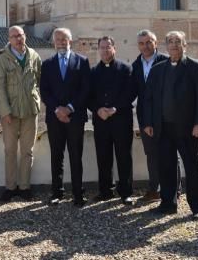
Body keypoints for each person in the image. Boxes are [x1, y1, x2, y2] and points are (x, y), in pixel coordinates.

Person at [143, 31, 198, 220]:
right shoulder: (158, 69)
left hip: (187, 128)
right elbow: (149, 99)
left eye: (177, 41)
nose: (173, 45)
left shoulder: (195, 67)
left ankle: (197, 207)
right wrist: (147, 122)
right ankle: (168, 204)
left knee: (192, 166)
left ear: (184, 45)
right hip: (163, 128)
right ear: (165, 46)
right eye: (170, 41)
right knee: (166, 167)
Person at [40, 28, 91, 206]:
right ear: (54, 42)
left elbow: (85, 89)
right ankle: (57, 192)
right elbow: (44, 91)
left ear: (71, 41)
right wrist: (57, 110)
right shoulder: (46, 64)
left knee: (76, 155)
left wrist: (69, 108)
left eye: (65, 39)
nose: (61, 42)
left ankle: (78, 193)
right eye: (58, 39)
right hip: (55, 118)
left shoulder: (82, 62)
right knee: (57, 155)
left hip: (75, 117)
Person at [0, 25, 42, 201]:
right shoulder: (2, 59)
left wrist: (37, 101)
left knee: (28, 151)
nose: (18, 39)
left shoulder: (34, 56)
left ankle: (24, 187)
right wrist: (5, 111)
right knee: (10, 150)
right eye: (14, 36)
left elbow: (38, 81)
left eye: (20, 35)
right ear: (9, 39)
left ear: (25, 37)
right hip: (11, 113)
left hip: (30, 111)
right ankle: (10, 187)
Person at [89, 36, 136, 205]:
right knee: (103, 157)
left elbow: (130, 93)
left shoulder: (126, 68)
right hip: (101, 120)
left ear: (114, 49)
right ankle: (105, 191)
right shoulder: (93, 72)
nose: (105, 50)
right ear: (98, 50)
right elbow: (89, 96)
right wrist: (97, 109)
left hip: (121, 119)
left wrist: (114, 108)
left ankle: (126, 192)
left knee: (124, 157)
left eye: (108, 47)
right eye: (102, 47)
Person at [131, 29, 170, 202]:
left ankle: (173, 190)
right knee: (152, 154)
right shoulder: (135, 65)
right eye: (141, 43)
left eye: (148, 42)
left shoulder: (166, 62)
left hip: (166, 116)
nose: (145, 46)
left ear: (156, 43)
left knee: (169, 154)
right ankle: (154, 190)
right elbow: (133, 93)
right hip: (145, 118)